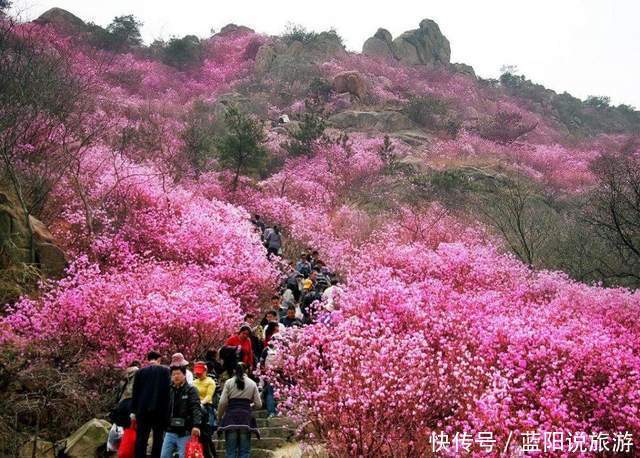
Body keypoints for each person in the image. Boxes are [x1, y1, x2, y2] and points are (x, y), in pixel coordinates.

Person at [131, 351, 170, 458]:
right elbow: (168, 393)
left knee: (141, 438)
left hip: (142, 410)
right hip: (160, 410)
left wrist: (134, 411)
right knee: (158, 438)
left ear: (148, 360)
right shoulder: (166, 371)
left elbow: (135, 393)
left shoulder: (140, 372)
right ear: (159, 359)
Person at [217, 363, 262, 458]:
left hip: (231, 418)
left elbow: (222, 403)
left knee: (230, 452)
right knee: (244, 452)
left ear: (234, 371)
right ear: (246, 371)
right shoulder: (252, 383)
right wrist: (249, 405)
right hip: (246, 419)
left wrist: (219, 417)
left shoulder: (229, 382)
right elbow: (259, 404)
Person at [160, 366, 202, 458]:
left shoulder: (191, 390)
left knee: (184, 455)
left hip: (185, 431)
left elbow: (196, 408)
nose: (176, 376)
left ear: (184, 375)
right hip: (170, 431)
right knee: (164, 455)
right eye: (173, 374)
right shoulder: (170, 390)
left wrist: (196, 425)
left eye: (178, 374)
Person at [193, 362, 216, 458]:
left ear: (205, 371)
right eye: (197, 372)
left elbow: (209, 396)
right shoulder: (194, 382)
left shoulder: (210, 382)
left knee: (207, 436)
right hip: (195, 409)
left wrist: (200, 403)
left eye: (200, 372)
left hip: (206, 408)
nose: (198, 374)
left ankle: (212, 454)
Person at [109, 361, 139, 428]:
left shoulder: (125, 374)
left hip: (122, 401)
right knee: (129, 425)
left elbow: (119, 390)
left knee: (119, 424)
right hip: (131, 401)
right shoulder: (137, 373)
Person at [260, 326, 280, 418]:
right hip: (280, 374)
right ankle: (277, 410)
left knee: (270, 393)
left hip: (269, 374)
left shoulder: (266, 350)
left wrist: (264, 372)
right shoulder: (281, 349)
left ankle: (271, 411)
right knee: (277, 392)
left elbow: (261, 362)